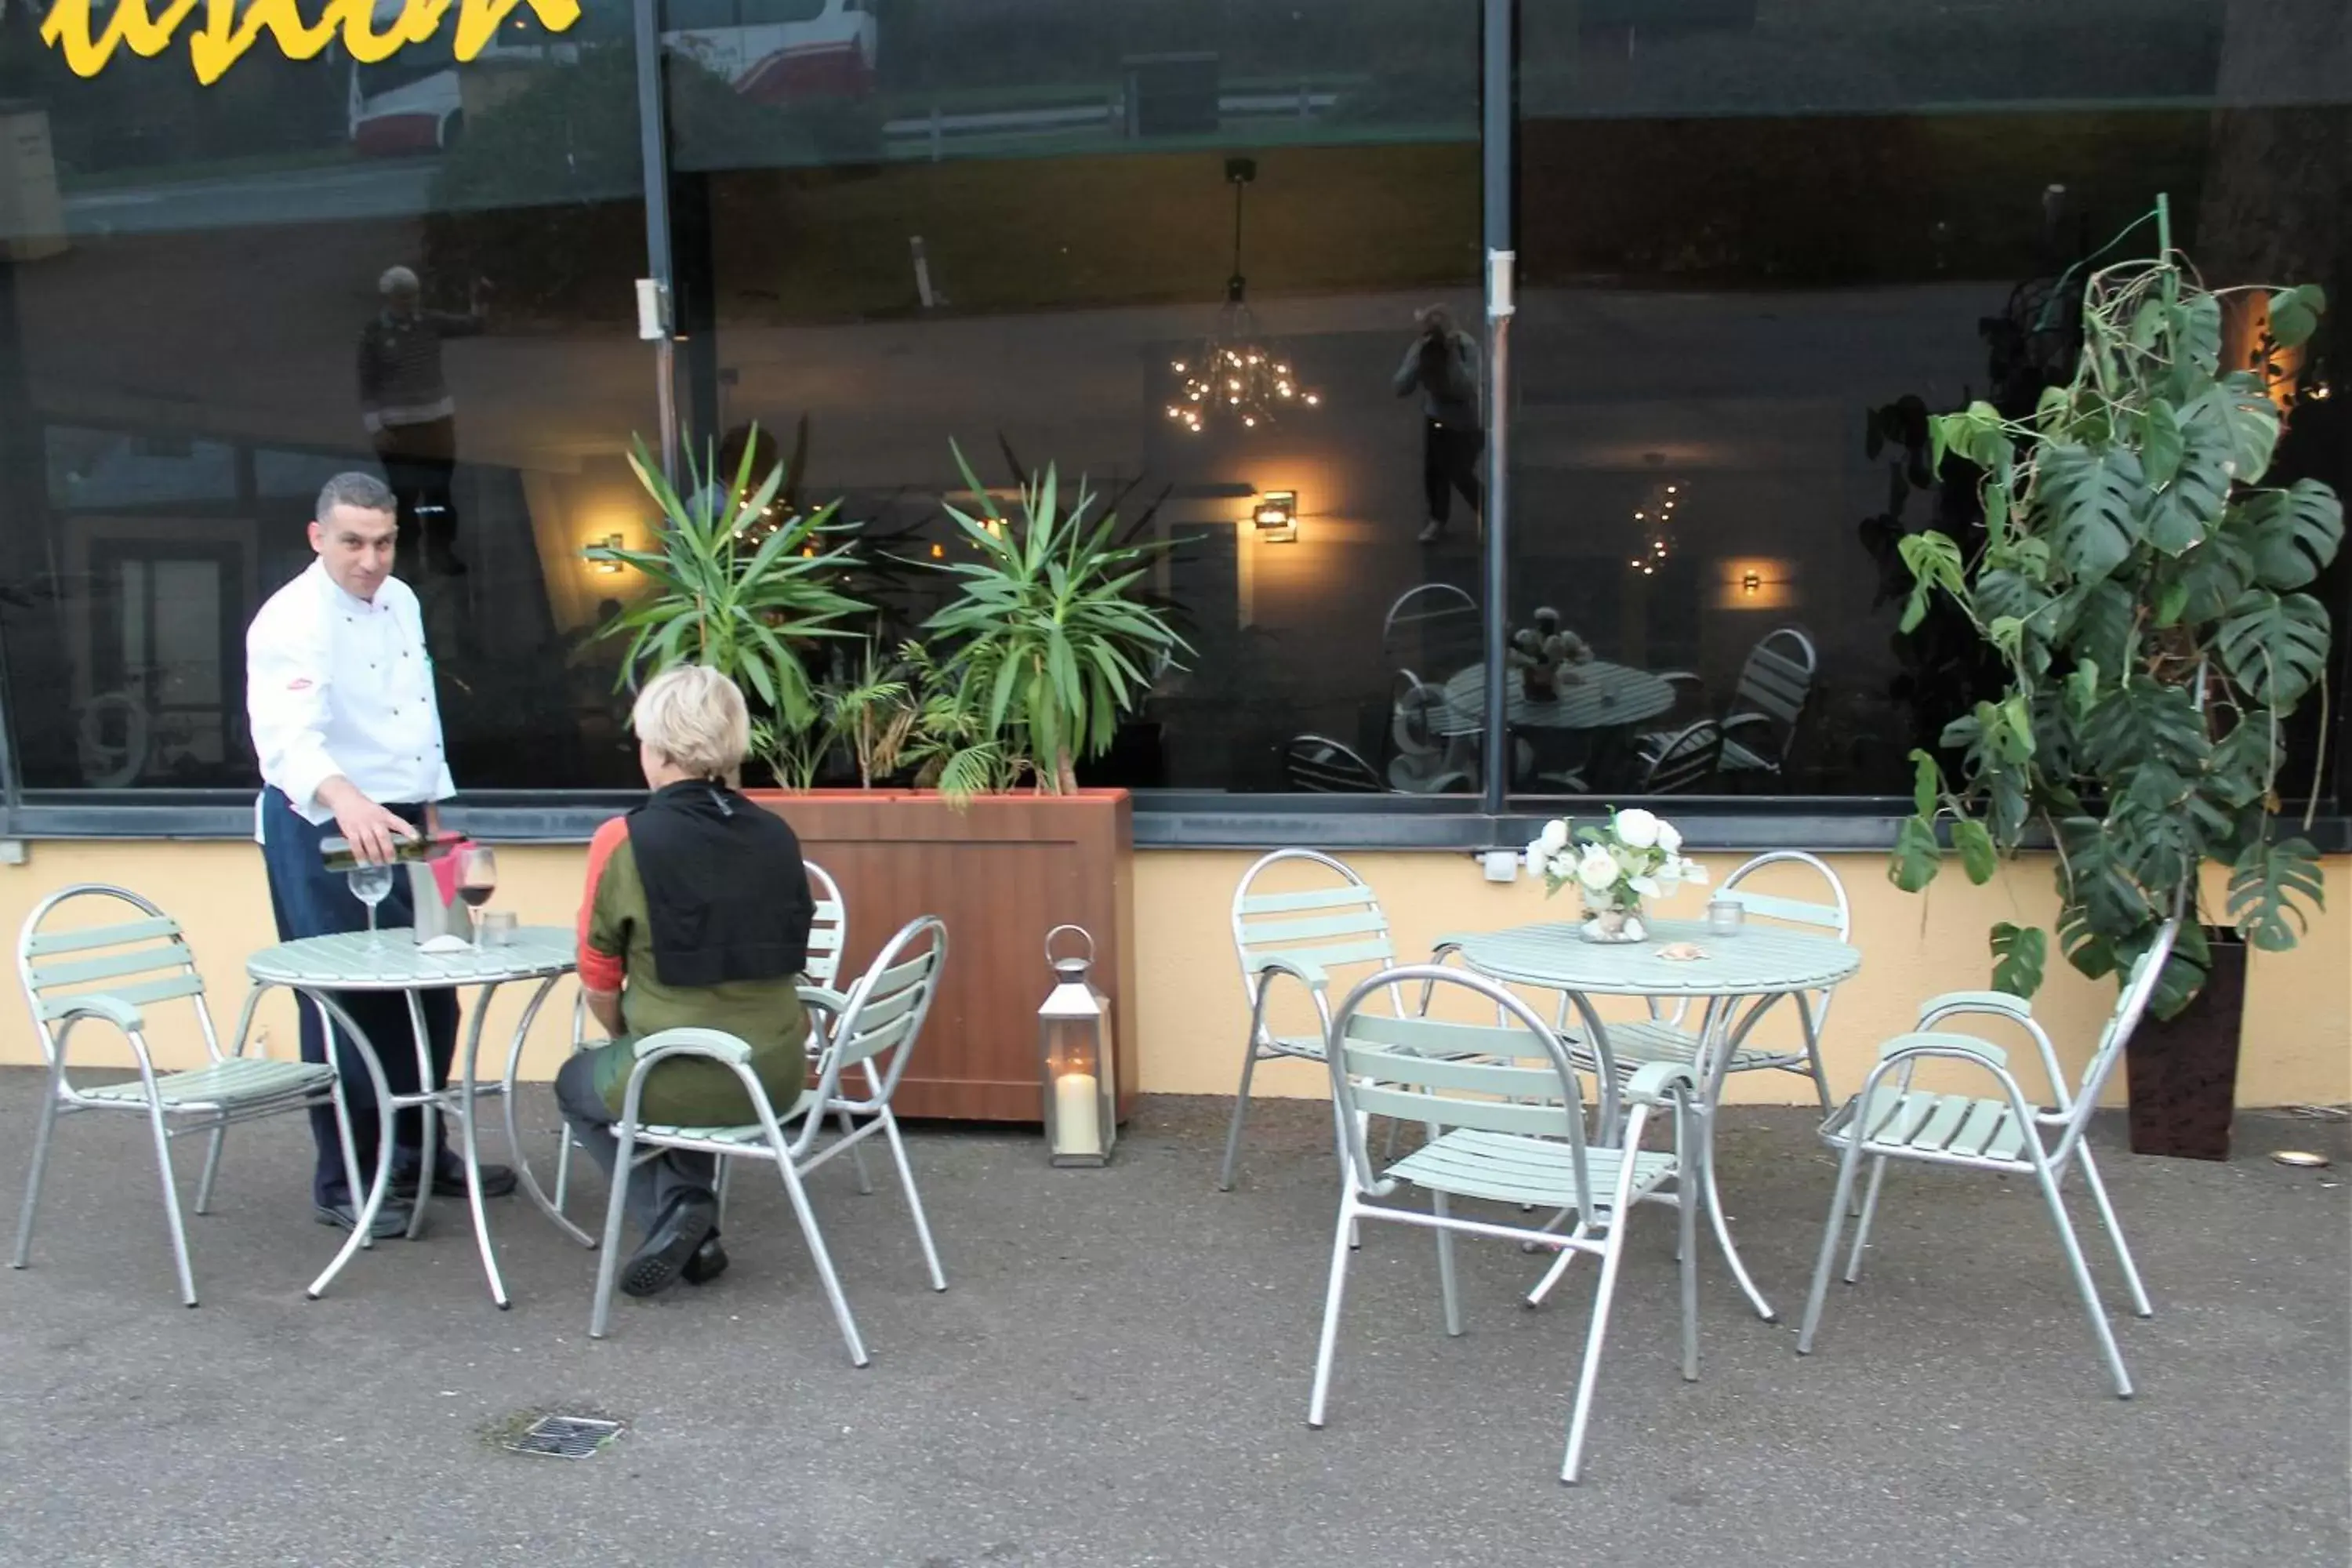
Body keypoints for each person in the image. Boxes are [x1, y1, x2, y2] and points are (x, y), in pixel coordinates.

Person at [246, 471, 515, 1238]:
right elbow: (287, 739)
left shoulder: (404, 600)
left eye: (385, 541)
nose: (371, 558)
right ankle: (348, 1180)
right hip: (322, 817)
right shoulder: (289, 618)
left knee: (436, 982)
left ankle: (420, 1154)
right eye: (354, 541)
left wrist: (431, 809)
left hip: (405, 814)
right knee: (348, 997)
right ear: (317, 535)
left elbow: (416, 710)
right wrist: (351, 799)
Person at [555, 665, 817, 1298]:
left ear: (660, 750)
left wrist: (627, 1035)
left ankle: (674, 1212)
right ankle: (692, 1230)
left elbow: (597, 979)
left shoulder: (624, 840)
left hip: (683, 1075)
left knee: (582, 1083)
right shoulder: (776, 835)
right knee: (676, 1057)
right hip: (776, 1075)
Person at [358, 265, 485, 578]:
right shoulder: (374, 333)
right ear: (388, 298)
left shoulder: (430, 322)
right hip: (396, 429)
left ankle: (442, 553)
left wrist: (479, 298)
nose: (409, 301)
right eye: (402, 296)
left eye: (413, 294)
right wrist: (376, 427)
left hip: (436, 421)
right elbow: (367, 382)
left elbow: (473, 325)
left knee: (440, 493)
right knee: (405, 497)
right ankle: (409, 561)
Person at [1392, 304, 1483, 544]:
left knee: (1459, 472)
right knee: (1435, 472)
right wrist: (1417, 362)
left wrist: (1451, 358)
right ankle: (1437, 520)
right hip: (1436, 418)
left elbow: (1468, 388)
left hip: (1470, 420)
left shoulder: (1466, 347)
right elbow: (1400, 387)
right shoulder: (1422, 348)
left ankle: (1490, 514)